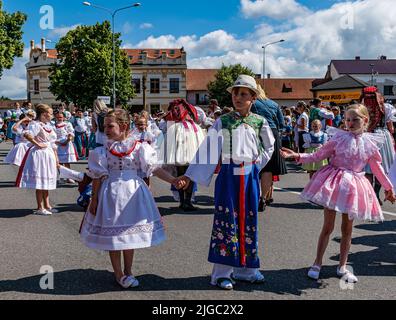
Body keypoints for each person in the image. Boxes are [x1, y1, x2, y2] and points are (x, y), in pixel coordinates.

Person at [178, 75, 275, 290]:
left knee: (249, 221)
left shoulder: (260, 122)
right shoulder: (224, 121)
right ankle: (222, 273)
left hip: (249, 177)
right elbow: (208, 151)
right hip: (229, 176)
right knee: (226, 221)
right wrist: (190, 175)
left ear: (253, 98)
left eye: (243, 94)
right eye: (235, 93)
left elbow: (269, 146)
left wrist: (256, 165)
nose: (238, 97)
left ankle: (247, 270)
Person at [280, 104, 396, 283]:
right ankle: (317, 263)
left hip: (354, 187)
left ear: (365, 121)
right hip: (334, 183)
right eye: (347, 119)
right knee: (328, 227)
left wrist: (388, 188)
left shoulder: (370, 143)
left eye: (355, 119)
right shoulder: (338, 138)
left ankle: (342, 265)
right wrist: (297, 155)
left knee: (347, 229)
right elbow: (318, 155)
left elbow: (377, 168)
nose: (350, 123)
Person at [79, 109, 184, 288]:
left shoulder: (139, 146)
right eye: (105, 126)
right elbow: (97, 176)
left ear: (124, 126)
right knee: (113, 235)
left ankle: (128, 270)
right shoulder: (102, 150)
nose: (106, 130)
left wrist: (173, 180)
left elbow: (154, 169)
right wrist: (94, 199)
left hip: (133, 193)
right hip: (110, 193)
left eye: (110, 126)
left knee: (128, 234)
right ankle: (118, 273)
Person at [160, 99, 205, 211]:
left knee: (180, 173)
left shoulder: (173, 118)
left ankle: (182, 201)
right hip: (190, 135)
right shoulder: (191, 114)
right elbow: (200, 117)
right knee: (190, 173)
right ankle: (187, 201)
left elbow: (164, 126)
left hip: (178, 136)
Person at [15, 104, 59, 216]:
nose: (52, 115)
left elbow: (53, 144)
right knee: (40, 181)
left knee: (47, 180)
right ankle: (40, 207)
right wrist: (37, 144)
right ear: (44, 114)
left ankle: (47, 205)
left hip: (48, 154)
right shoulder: (35, 125)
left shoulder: (48, 125)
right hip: (40, 155)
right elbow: (28, 135)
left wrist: (56, 158)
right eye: (50, 113)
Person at [251, 84, 287, 211]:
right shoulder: (274, 104)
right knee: (268, 168)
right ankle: (263, 198)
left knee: (253, 165)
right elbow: (282, 124)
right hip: (273, 132)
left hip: (255, 131)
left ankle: (253, 196)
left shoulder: (252, 103)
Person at [54, 111, 78, 183]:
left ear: (64, 117)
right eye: (58, 117)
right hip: (57, 144)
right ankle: (61, 177)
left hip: (66, 144)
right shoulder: (53, 125)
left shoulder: (67, 124)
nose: (59, 118)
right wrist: (56, 142)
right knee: (59, 162)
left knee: (67, 162)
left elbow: (71, 133)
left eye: (61, 117)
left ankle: (69, 177)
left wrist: (67, 140)